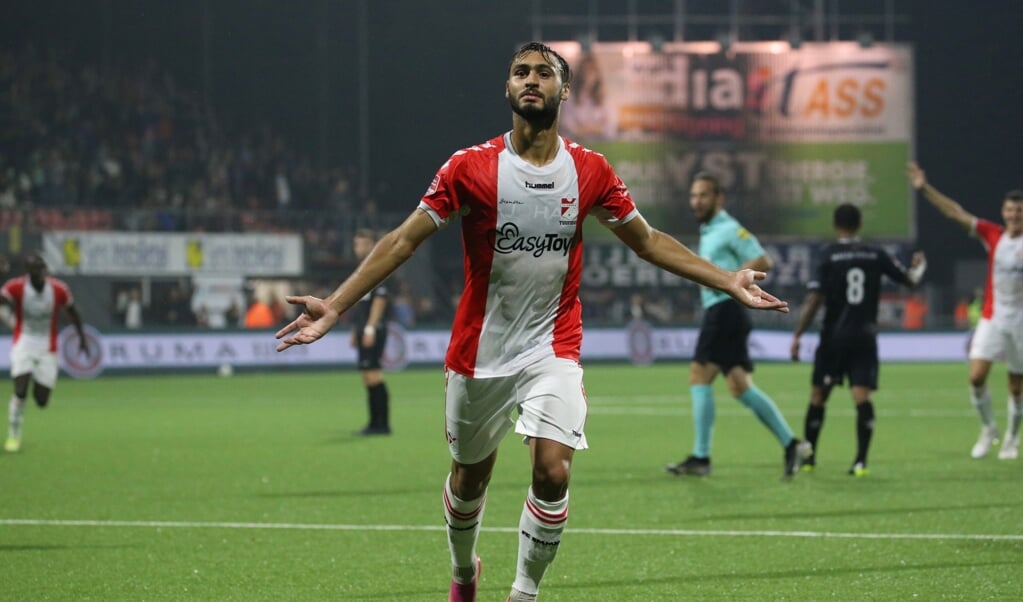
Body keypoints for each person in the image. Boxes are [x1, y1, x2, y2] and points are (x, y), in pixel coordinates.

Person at [275, 42, 788, 602]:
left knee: (553, 473)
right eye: (520, 72)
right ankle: (465, 571)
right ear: (507, 88)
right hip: (479, 354)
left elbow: (648, 242)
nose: (531, 80)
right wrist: (338, 303)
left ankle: (524, 593)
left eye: (545, 73)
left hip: (554, 348)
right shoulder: (468, 167)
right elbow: (402, 241)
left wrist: (726, 279)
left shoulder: (590, 170)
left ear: (564, 91)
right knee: (469, 480)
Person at [665, 172, 811, 481]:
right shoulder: (710, 230)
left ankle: (701, 457)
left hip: (724, 310)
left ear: (719, 198)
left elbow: (764, 261)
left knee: (699, 376)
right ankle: (792, 444)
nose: (696, 201)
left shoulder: (730, 229)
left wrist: (732, 280)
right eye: (693, 195)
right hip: (723, 312)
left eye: (703, 195)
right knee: (739, 386)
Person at [790, 203, 927, 476]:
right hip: (864, 338)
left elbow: (814, 298)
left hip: (833, 338)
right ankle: (861, 461)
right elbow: (910, 281)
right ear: (859, 224)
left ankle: (809, 458)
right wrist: (919, 267)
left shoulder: (828, 254)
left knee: (819, 396)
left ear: (835, 224)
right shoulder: (875, 253)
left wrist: (798, 334)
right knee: (861, 397)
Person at [906, 162, 1023, 460]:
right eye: (1010, 210)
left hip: (1021, 322)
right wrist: (925, 189)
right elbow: (955, 212)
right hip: (992, 317)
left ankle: (1011, 438)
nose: (1014, 215)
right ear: (1003, 212)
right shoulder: (993, 235)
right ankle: (989, 429)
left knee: (1016, 385)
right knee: (976, 377)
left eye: (1019, 210)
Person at [0, 253, 89, 452]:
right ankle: (13, 436)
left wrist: (82, 337)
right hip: (23, 342)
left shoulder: (58, 289)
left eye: (43, 269)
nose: (41, 273)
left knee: (41, 401)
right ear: (29, 273)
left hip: (48, 348)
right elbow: (2, 300)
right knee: (20, 390)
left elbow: (73, 312)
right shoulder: (16, 287)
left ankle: (39, 387)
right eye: (37, 270)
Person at [349, 229, 392, 436]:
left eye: (364, 243)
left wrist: (369, 328)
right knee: (368, 376)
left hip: (373, 329)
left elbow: (379, 300)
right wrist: (355, 329)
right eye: (357, 244)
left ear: (373, 245)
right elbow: (361, 305)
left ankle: (381, 424)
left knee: (373, 374)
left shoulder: (378, 266)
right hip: (364, 328)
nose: (360, 248)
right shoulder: (363, 269)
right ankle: (376, 423)